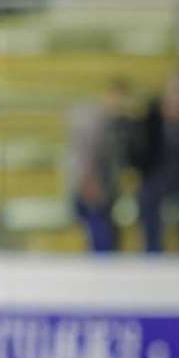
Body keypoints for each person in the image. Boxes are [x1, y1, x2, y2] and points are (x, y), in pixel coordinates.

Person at [132, 70, 179, 253]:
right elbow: (142, 149)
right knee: (147, 196)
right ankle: (153, 249)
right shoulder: (153, 115)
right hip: (158, 172)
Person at [67, 79, 133, 252]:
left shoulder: (116, 122)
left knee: (104, 228)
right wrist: (89, 182)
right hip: (91, 184)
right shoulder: (95, 121)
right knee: (98, 228)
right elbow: (87, 155)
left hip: (105, 184)